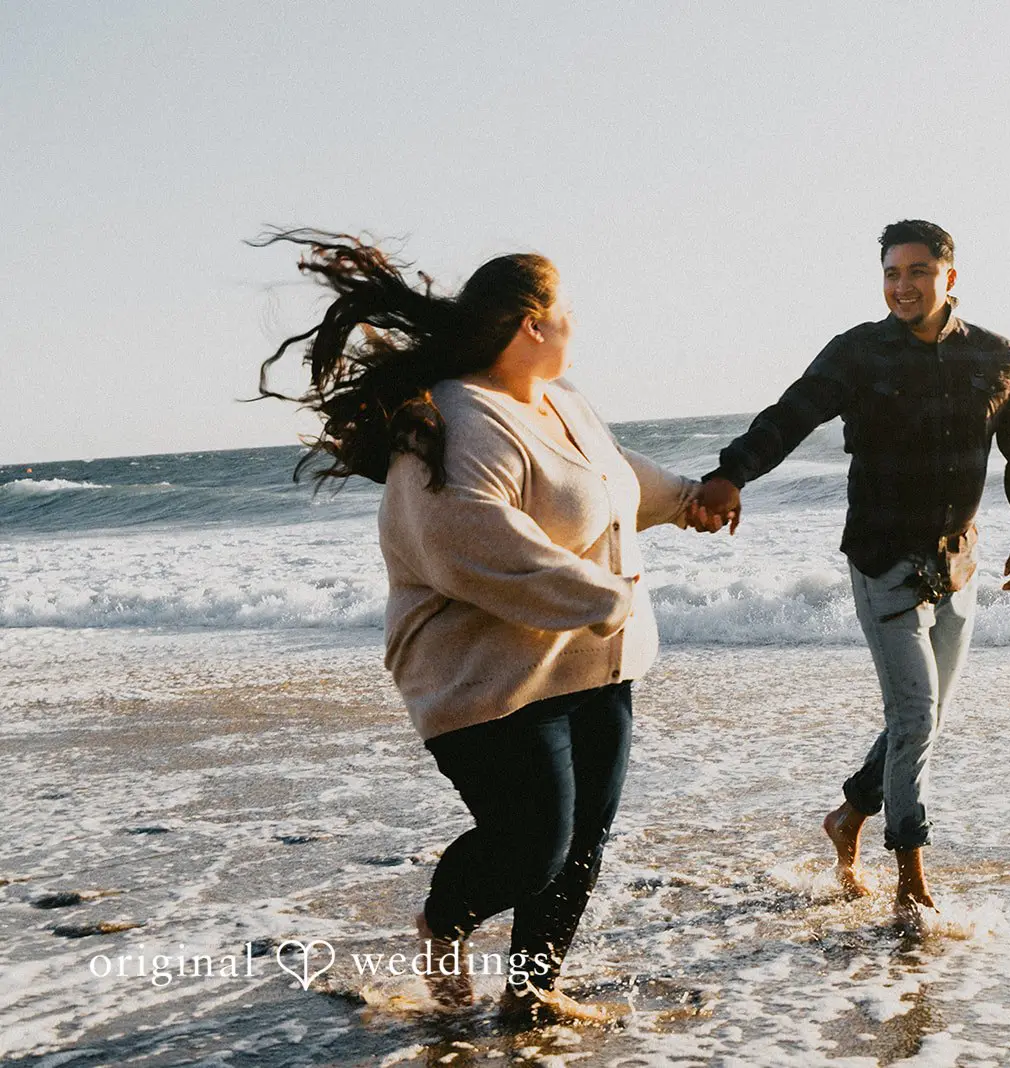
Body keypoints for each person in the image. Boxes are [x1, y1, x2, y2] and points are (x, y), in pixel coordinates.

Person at [256, 230, 732, 1020]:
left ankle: (531, 991)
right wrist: (604, 599)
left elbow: (610, 480)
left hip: (591, 665)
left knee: (582, 841)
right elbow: (469, 542)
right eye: (568, 310)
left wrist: (688, 500)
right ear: (532, 325)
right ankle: (443, 922)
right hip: (482, 679)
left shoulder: (561, 402)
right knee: (533, 845)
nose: (577, 322)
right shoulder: (453, 421)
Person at [696, 220, 1010, 929]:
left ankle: (848, 816)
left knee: (923, 719)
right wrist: (731, 474)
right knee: (915, 718)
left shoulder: (994, 356)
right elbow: (789, 416)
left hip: (957, 564)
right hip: (883, 561)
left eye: (918, 272)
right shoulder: (858, 353)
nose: (902, 286)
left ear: (950, 276)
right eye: (892, 273)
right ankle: (911, 879)